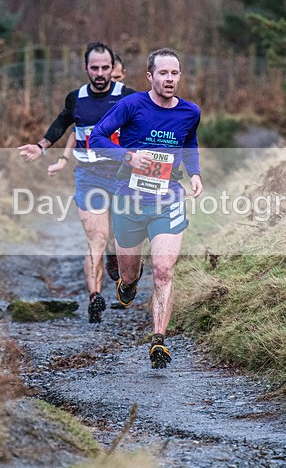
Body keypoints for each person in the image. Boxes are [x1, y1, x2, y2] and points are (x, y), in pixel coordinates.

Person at [89, 47, 203, 369]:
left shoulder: (190, 112)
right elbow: (96, 138)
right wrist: (127, 156)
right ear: (150, 76)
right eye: (163, 73)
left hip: (168, 201)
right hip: (128, 201)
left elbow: (190, 144)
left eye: (175, 73)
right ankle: (129, 279)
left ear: (180, 76)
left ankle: (158, 341)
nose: (169, 79)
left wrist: (194, 174)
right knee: (127, 273)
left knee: (164, 271)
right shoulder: (131, 105)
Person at [18, 42, 135, 323]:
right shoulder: (76, 98)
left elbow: (147, 125)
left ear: (113, 69)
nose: (100, 73)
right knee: (96, 237)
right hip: (89, 176)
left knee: (122, 241)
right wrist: (42, 145)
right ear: (86, 69)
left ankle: (116, 261)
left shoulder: (128, 97)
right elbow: (62, 123)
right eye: (94, 68)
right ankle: (94, 296)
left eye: (105, 68)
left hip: (122, 178)